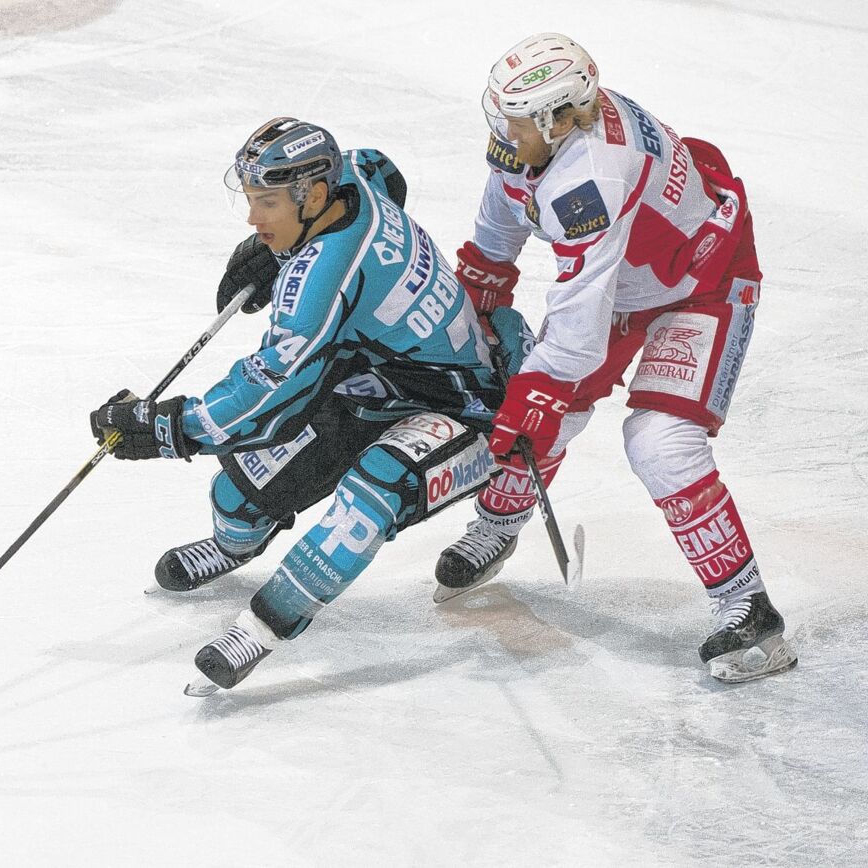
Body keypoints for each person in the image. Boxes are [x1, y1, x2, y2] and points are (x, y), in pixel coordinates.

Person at [90, 117, 532, 693]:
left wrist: (165, 427)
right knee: (239, 494)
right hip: (370, 381)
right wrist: (276, 250)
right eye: (251, 199)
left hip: (464, 407)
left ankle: (262, 626)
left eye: (267, 204)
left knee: (374, 493)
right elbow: (383, 170)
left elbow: (266, 395)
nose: (253, 218)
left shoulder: (322, 280)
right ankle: (233, 546)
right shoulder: (352, 176)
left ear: (315, 196)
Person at [436, 32, 797, 682]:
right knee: (546, 402)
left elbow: (577, 320)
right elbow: (504, 210)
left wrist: (536, 393)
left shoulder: (591, 176)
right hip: (628, 276)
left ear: (560, 118)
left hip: (701, 282)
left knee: (656, 441)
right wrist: (484, 283)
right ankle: (499, 524)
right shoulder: (542, 136)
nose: (502, 133)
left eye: (516, 122)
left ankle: (750, 610)